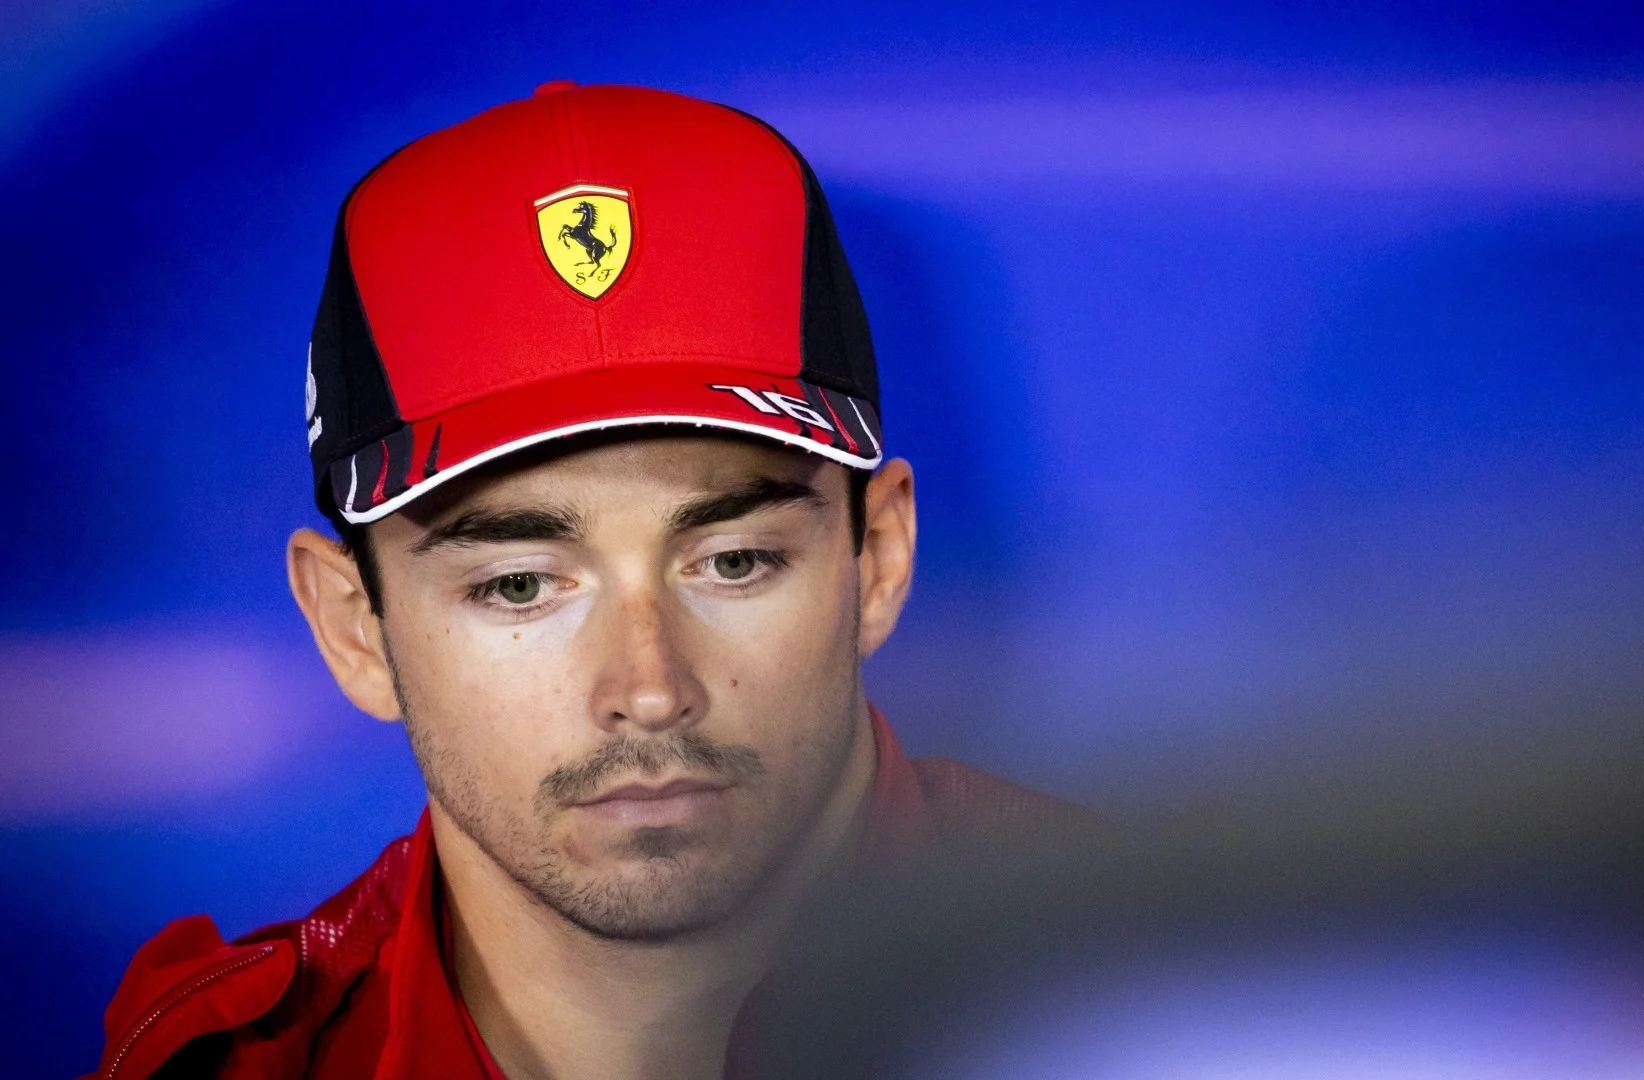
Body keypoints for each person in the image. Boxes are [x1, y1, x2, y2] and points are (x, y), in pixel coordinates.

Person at [92, 81, 1082, 1080]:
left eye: (733, 563)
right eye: (520, 586)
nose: (648, 689)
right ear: (354, 628)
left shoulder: (1149, 996)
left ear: (882, 559)